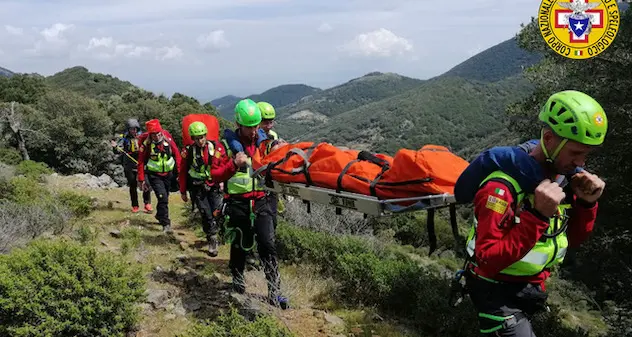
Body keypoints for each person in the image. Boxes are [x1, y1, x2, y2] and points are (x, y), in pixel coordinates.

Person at [458, 90, 607, 336]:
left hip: (528, 288)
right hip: (495, 293)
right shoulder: (501, 188)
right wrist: (538, 216)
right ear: (548, 138)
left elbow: (572, 239)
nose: (581, 163)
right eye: (575, 153)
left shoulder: (560, 180)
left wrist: (587, 204)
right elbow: (487, 259)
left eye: (586, 154)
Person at [211, 98, 289, 309]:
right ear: (238, 124)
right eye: (249, 126)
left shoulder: (265, 142)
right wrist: (232, 166)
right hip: (238, 204)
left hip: (262, 200)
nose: (254, 130)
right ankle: (237, 279)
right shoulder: (225, 146)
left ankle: (275, 291)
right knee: (240, 246)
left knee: (268, 245)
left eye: (256, 125)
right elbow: (215, 175)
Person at [179, 121, 224, 257]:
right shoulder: (188, 152)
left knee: (218, 211)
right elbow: (182, 171)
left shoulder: (216, 148)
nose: (200, 140)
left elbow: (223, 164)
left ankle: (220, 233)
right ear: (193, 139)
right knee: (206, 213)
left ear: (206, 135)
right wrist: (182, 191)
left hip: (214, 185)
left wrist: (222, 181)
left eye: (202, 137)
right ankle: (212, 239)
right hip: (197, 187)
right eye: (197, 138)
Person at [137, 119, 181, 233]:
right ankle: (166, 223)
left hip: (168, 174)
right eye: (154, 135)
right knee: (163, 198)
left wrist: (180, 173)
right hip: (154, 175)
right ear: (150, 135)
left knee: (165, 197)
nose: (156, 136)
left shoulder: (168, 139)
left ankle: (159, 215)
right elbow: (141, 161)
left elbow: (177, 154)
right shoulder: (146, 145)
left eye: (158, 133)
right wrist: (141, 179)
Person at [111, 118, 152, 213]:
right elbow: (118, 150)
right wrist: (114, 147)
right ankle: (135, 206)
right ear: (128, 129)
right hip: (129, 164)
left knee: (146, 183)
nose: (133, 131)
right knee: (133, 185)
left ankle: (147, 204)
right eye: (131, 129)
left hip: (141, 163)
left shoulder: (143, 136)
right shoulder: (124, 138)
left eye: (135, 129)